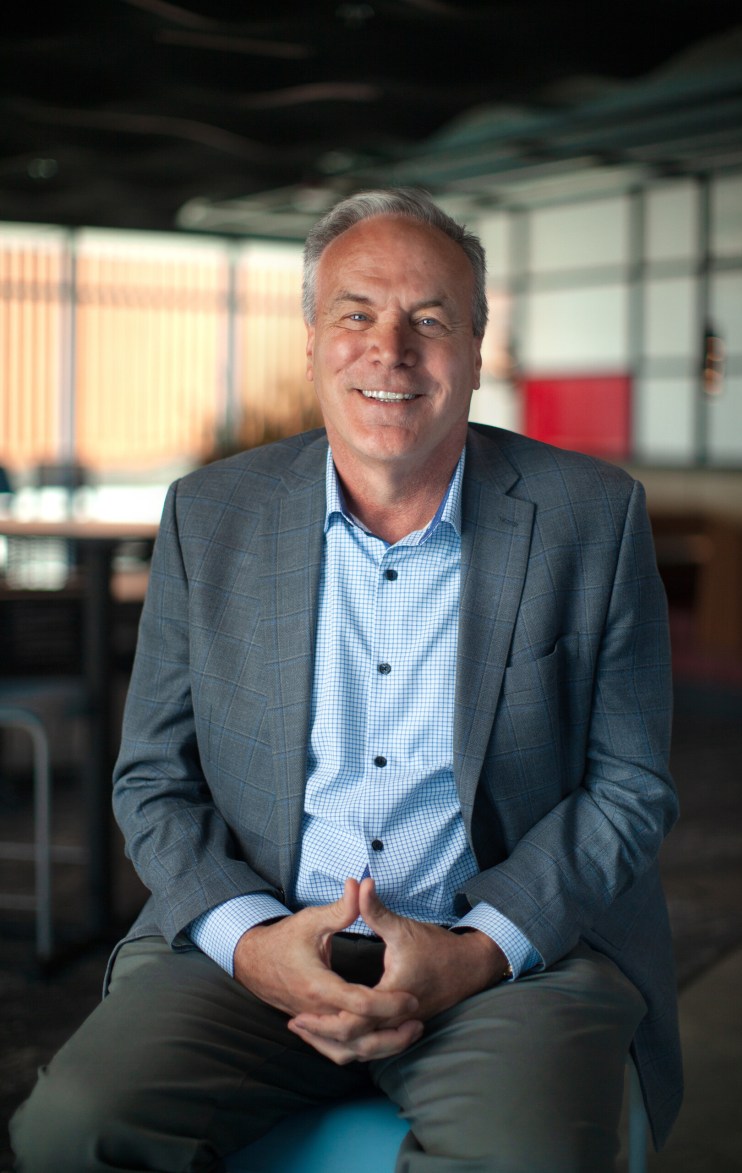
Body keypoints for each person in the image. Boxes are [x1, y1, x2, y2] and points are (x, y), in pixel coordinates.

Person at [11, 189, 682, 1172]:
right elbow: (153, 777)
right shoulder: (211, 515)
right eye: (355, 314)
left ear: (477, 346)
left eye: (429, 320)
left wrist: (477, 950)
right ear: (313, 337)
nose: (390, 351)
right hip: (256, 944)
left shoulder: (592, 517)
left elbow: (628, 787)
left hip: (500, 956)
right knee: (70, 1133)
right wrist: (250, 944)